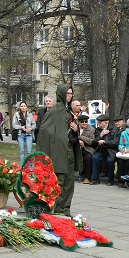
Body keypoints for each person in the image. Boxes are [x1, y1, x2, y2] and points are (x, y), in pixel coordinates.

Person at [38, 84, 82, 216]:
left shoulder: (67, 111)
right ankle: (58, 209)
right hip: (59, 151)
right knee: (60, 181)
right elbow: (46, 131)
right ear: (61, 94)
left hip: (69, 151)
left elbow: (68, 130)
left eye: (71, 94)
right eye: (67, 93)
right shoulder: (55, 111)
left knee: (69, 182)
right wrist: (62, 139)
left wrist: (76, 130)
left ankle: (65, 209)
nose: (69, 96)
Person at [90, 114, 120, 186]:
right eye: (98, 122)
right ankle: (94, 179)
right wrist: (101, 135)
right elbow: (94, 142)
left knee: (110, 161)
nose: (99, 124)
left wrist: (104, 142)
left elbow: (115, 142)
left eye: (100, 122)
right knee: (94, 158)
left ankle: (110, 180)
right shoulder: (97, 130)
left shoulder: (114, 129)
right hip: (100, 150)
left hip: (110, 151)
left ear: (106, 123)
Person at [77, 114, 96, 184]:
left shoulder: (91, 129)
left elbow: (91, 141)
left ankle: (87, 177)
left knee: (88, 157)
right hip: (76, 147)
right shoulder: (74, 128)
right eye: (82, 122)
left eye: (86, 121)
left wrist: (81, 138)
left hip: (87, 147)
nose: (84, 123)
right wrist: (77, 142)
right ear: (78, 122)